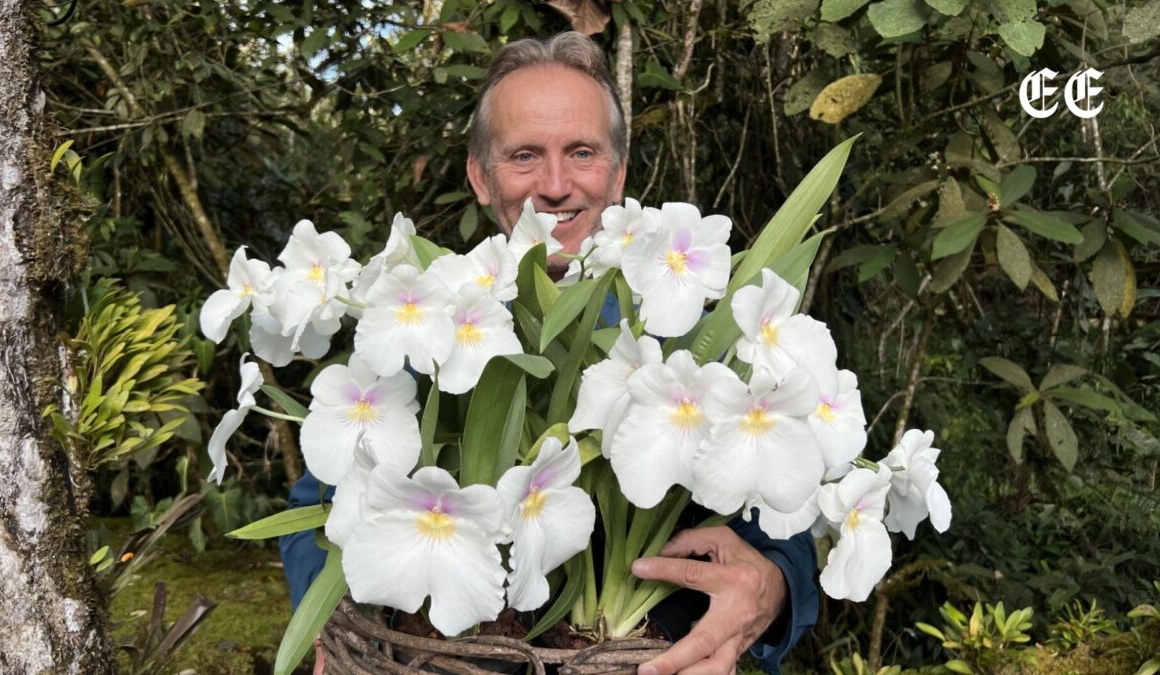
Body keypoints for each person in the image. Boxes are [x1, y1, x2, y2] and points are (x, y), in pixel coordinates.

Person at [281, 32, 818, 675]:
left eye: (582, 152)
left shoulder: (699, 346)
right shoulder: (420, 331)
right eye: (524, 156)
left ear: (618, 172)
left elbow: (786, 515)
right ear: (481, 177)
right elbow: (317, 506)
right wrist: (332, 627)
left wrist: (773, 588)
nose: (556, 185)